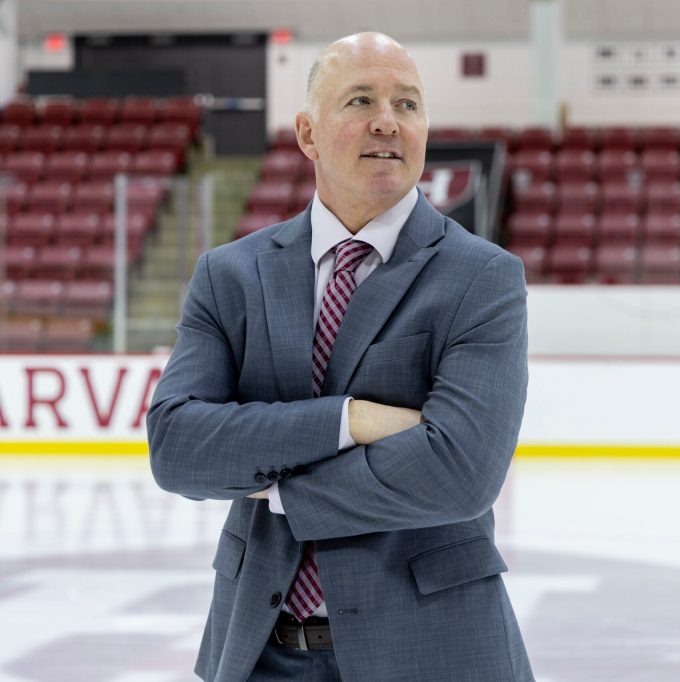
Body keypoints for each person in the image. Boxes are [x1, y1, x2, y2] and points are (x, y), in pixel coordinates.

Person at [147, 32, 533, 681]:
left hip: (431, 654)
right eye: (361, 99)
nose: (388, 120)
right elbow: (178, 448)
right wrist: (348, 421)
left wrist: (278, 487)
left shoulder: (482, 278)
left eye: (407, 104)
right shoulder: (230, 276)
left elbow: (462, 471)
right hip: (256, 655)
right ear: (307, 132)